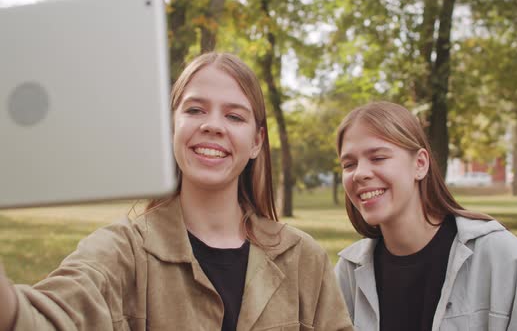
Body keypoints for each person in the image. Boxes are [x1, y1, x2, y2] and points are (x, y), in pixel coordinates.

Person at [0, 52, 353, 331]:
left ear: (257, 141)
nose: (212, 125)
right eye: (195, 109)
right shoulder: (122, 251)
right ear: (171, 126)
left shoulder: (304, 259)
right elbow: (45, 317)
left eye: (234, 116)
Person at [333, 102, 517, 330]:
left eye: (378, 158)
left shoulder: (496, 253)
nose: (360, 173)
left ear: (420, 164)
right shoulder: (348, 273)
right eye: (349, 164)